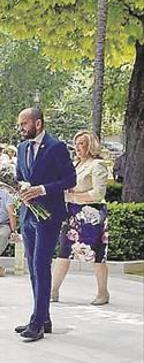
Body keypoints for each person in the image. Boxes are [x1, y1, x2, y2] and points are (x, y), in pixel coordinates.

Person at [13, 107, 76, 341]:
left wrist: (41, 189)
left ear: (38, 124)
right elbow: (21, 177)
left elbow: (71, 179)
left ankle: (37, 324)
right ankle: (43, 318)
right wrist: (18, 189)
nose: (21, 128)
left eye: (24, 123)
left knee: (41, 266)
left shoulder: (57, 147)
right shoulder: (21, 148)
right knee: (32, 267)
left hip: (49, 215)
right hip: (28, 215)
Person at [51, 130, 111, 305]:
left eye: (82, 144)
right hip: (72, 214)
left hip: (91, 215)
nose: (77, 147)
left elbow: (98, 193)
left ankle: (103, 293)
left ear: (90, 145)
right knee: (63, 252)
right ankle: (53, 291)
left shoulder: (97, 164)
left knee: (98, 256)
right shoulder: (75, 164)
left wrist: (76, 197)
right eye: (76, 144)